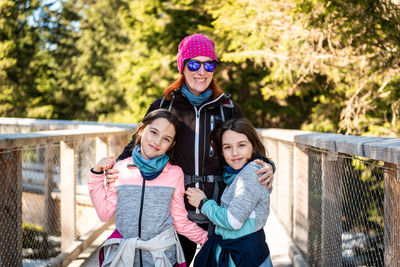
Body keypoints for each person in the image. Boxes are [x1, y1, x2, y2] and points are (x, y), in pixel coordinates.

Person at [104, 33, 276, 264]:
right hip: (174, 210)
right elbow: (140, 142)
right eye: (194, 63)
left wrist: (268, 166)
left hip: (218, 208)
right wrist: (113, 167)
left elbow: (248, 148)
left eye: (209, 64)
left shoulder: (226, 108)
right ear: (182, 67)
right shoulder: (166, 104)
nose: (201, 71)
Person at [88, 109, 208, 267]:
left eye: (166, 139)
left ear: (171, 145)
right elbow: (105, 214)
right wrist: (96, 175)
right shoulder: (120, 168)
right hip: (123, 258)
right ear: (141, 129)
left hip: (161, 259)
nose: (157, 142)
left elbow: (180, 221)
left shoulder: (174, 173)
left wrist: (210, 240)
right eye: (153, 132)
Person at [186, 118, 273, 267]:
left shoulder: (251, 173)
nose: (234, 153)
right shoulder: (235, 174)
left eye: (241, 145)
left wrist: (203, 203)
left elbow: (234, 221)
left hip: (245, 258)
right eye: (227, 147)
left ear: (253, 146)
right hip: (238, 255)